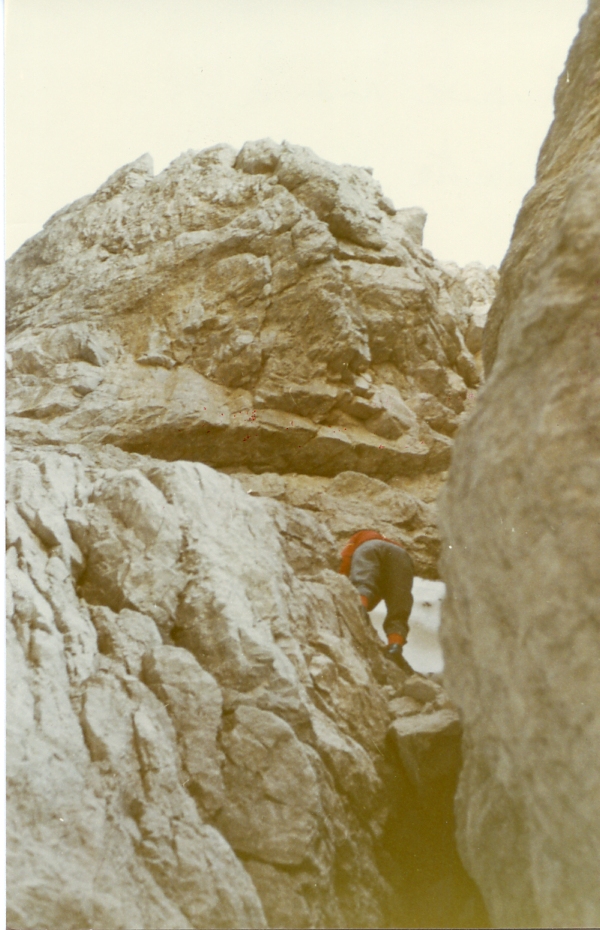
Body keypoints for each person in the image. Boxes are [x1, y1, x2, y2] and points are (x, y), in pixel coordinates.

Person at [339, 529, 414, 673]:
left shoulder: (360, 535)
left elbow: (346, 558)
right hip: (402, 556)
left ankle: (358, 614)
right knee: (399, 605)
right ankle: (395, 646)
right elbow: (383, 590)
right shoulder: (391, 542)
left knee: (363, 582)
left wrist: (340, 579)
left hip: (369, 547)